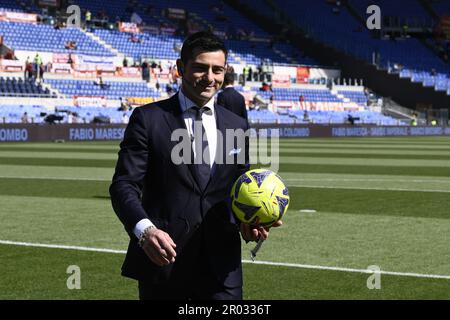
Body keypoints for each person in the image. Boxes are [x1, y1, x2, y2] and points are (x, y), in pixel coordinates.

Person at [109, 31, 281, 300]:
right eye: (200, 68)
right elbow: (123, 185)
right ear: (180, 68)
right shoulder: (148, 118)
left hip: (222, 268)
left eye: (217, 69)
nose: (209, 77)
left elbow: (238, 187)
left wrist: (248, 220)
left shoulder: (237, 124)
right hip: (164, 261)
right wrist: (145, 231)